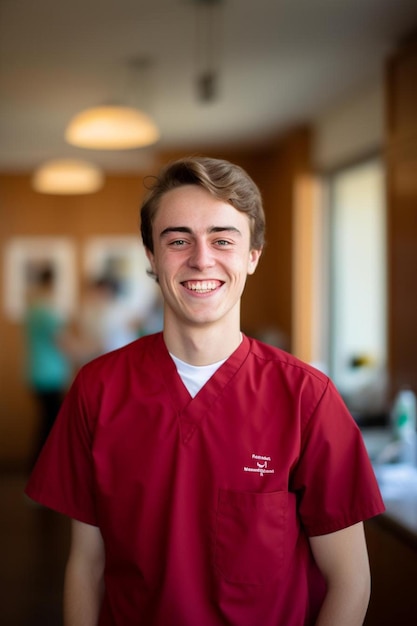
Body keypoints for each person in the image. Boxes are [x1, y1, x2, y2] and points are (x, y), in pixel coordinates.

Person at [25, 156, 385, 626]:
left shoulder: (307, 399)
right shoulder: (97, 390)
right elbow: (86, 566)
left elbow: (350, 579)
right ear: (152, 258)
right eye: (178, 240)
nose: (201, 258)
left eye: (222, 240)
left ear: (252, 256)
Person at [23, 265, 74, 469]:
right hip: (49, 376)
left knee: (47, 424)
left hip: (37, 373)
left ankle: (38, 473)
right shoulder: (45, 312)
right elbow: (64, 342)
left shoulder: (33, 308)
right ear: (51, 284)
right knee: (50, 427)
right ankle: (39, 474)